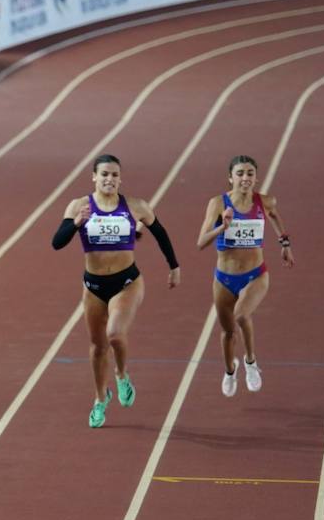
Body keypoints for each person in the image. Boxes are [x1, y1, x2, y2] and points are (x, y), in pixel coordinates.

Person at [51, 154, 180, 428]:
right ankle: (100, 399)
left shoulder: (135, 206)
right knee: (98, 347)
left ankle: (121, 375)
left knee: (114, 334)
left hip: (127, 282)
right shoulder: (79, 206)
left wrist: (174, 266)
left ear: (120, 179)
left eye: (114, 175)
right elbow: (57, 243)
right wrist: (75, 224)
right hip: (94, 287)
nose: (109, 179)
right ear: (94, 177)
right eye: (104, 174)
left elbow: (161, 232)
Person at [196, 155, 294, 396]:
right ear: (230, 177)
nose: (245, 178)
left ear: (255, 177)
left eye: (250, 173)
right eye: (240, 173)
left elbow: (275, 216)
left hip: (256, 275)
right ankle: (231, 371)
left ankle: (251, 362)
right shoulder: (218, 204)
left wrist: (285, 243)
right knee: (228, 333)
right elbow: (201, 242)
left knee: (241, 315)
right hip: (224, 278)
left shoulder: (265, 201)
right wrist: (222, 227)